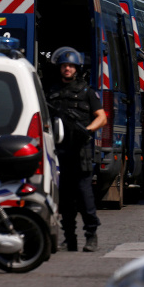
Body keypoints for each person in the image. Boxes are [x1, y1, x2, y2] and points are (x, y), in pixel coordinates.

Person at [46, 47, 107, 252]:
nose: (68, 69)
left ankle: (91, 236)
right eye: (64, 66)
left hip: (79, 151)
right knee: (64, 199)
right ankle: (69, 238)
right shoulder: (52, 92)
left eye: (71, 66)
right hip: (59, 152)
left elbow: (101, 116)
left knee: (85, 196)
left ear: (77, 68)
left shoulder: (86, 92)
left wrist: (88, 130)